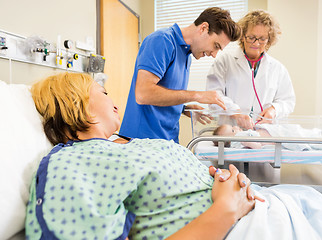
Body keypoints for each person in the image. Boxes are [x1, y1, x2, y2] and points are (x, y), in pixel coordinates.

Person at [25, 72, 260, 240]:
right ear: (76, 101)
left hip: (259, 210)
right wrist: (226, 208)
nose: (111, 97)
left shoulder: (121, 146)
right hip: (243, 226)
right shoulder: (71, 162)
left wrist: (231, 182)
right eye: (103, 92)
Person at [119, 7, 241, 143]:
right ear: (203, 28)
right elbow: (143, 94)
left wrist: (183, 108)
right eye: (216, 45)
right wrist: (197, 95)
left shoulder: (187, 55)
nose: (214, 54)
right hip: (143, 141)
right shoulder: (162, 41)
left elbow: (163, 92)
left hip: (167, 141)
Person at [206, 10, 296, 130]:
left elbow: (287, 101)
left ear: (269, 40)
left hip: (263, 133)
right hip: (231, 131)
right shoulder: (224, 62)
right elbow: (213, 96)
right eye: (251, 37)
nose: (256, 43)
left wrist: (274, 110)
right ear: (243, 36)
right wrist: (236, 113)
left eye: (262, 38)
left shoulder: (277, 68)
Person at [213, 123, 322, 151]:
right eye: (233, 130)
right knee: (302, 136)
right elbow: (256, 146)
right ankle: (318, 137)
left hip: (276, 132)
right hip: (278, 136)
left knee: (301, 133)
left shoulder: (241, 135)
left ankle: (318, 135)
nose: (236, 127)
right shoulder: (240, 137)